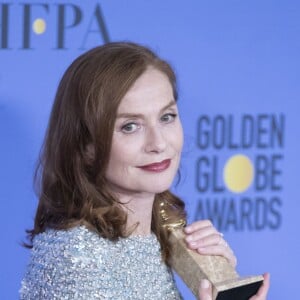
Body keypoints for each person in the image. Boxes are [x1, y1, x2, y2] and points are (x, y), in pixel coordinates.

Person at [20, 42, 270, 299]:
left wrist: (220, 277)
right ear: (86, 147)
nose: (159, 143)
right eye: (130, 126)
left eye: (167, 117)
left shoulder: (156, 237)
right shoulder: (74, 258)